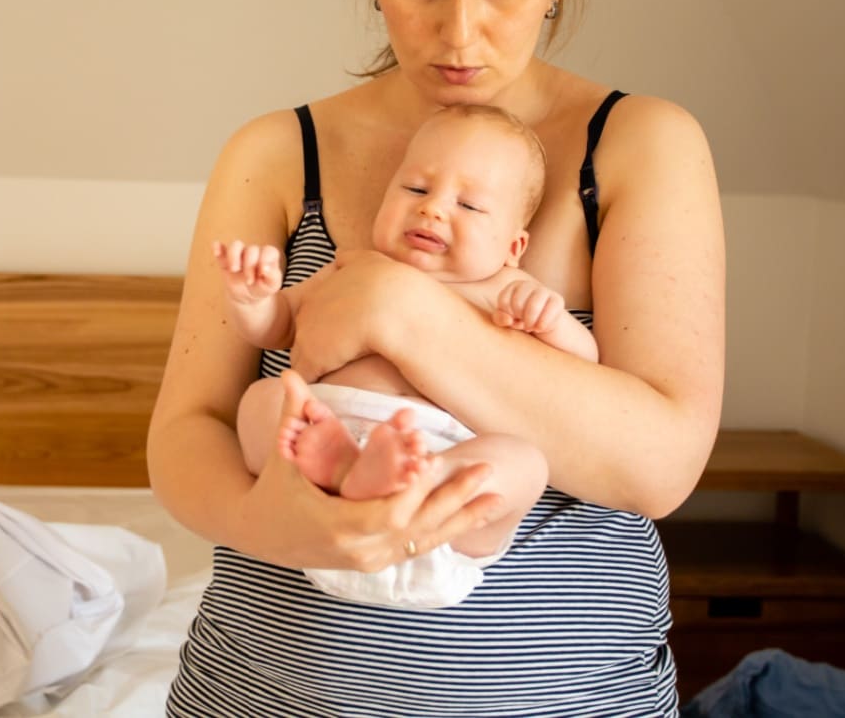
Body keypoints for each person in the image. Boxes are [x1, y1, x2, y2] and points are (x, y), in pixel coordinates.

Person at [148, 0, 725, 713]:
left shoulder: (639, 145)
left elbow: (658, 467)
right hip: (265, 691)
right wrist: (263, 518)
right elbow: (188, 429)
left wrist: (397, 308)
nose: (459, 31)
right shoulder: (277, 151)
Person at [215, 105, 597, 609]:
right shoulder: (350, 269)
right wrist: (252, 299)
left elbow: (583, 371)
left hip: (444, 482)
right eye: (415, 189)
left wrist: (552, 322)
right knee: (262, 402)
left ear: (514, 246)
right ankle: (346, 471)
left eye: (471, 206)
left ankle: (421, 481)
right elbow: (276, 327)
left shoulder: (508, 291)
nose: (433, 209)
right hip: (326, 469)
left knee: (523, 463)